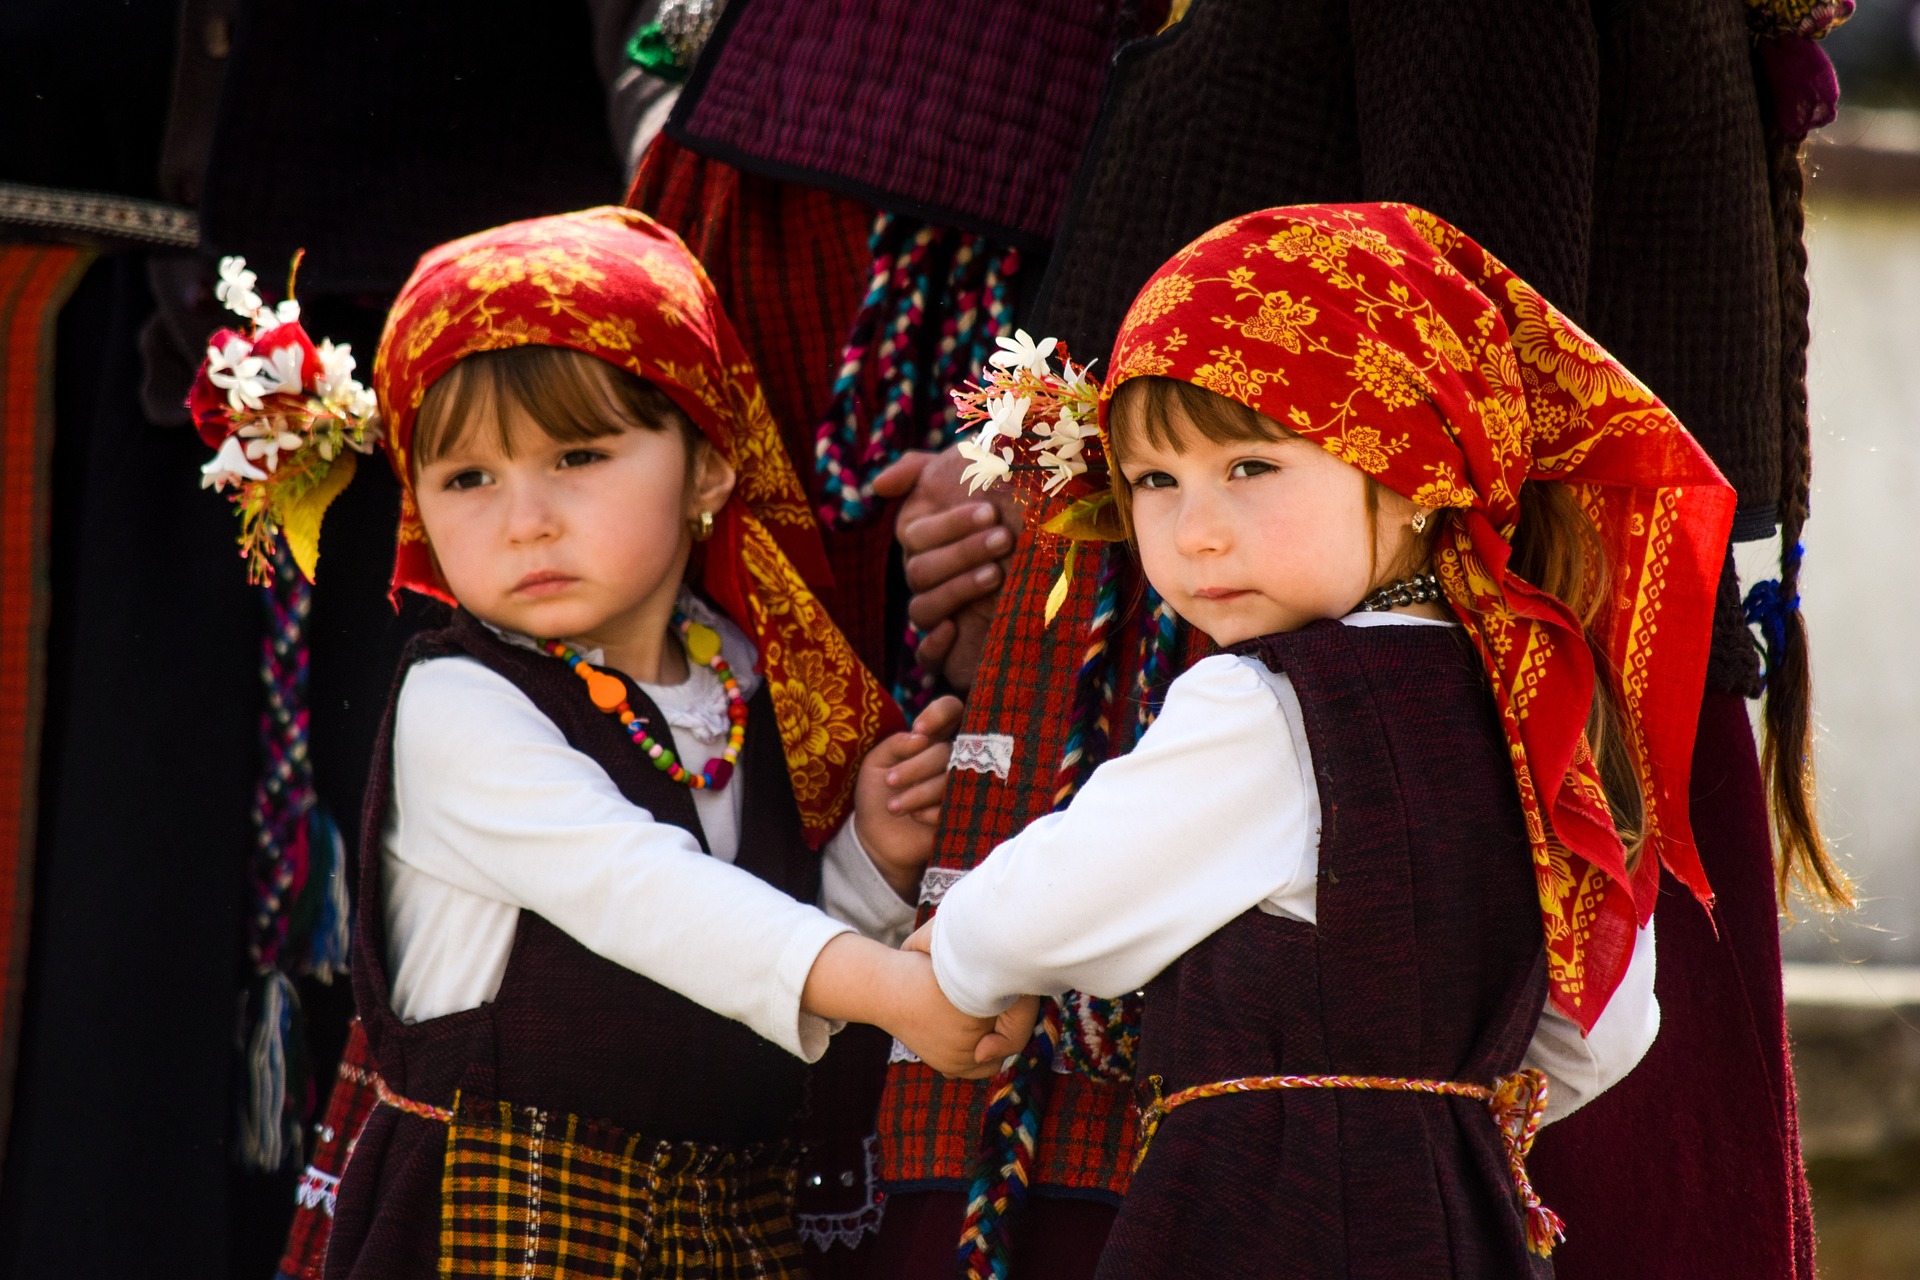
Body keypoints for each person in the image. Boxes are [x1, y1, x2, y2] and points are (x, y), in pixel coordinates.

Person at [914, 204, 1735, 1278]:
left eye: (1250, 466)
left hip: (1253, 1223)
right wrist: (1437, 1112)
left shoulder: (1265, 708)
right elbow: (1606, 1028)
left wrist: (952, 949)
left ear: (1409, 472)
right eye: (1155, 480)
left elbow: (1028, 917)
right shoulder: (1544, 705)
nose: (1194, 528)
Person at [322, 206, 1026, 1279]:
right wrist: (897, 989)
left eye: (579, 454)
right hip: (502, 1223)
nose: (525, 519)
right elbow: (651, 899)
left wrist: (872, 864)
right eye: (468, 476)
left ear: (707, 466)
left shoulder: (740, 677)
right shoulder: (459, 705)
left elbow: (745, 966)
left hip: (724, 1227)